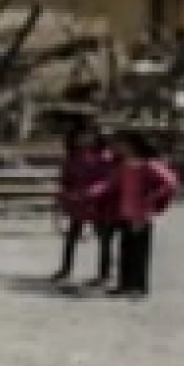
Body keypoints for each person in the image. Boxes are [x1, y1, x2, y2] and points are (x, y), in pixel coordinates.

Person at [109, 133, 180, 299]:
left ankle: (139, 287)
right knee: (125, 250)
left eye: (122, 144)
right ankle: (125, 284)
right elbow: (113, 185)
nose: (119, 148)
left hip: (141, 213)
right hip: (125, 212)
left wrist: (150, 198)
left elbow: (171, 184)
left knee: (139, 251)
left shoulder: (149, 164)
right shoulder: (123, 165)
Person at [49, 120, 118, 287]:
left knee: (104, 238)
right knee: (72, 236)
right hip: (77, 202)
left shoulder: (105, 156)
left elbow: (109, 179)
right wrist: (64, 193)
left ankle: (104, 273)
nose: (84, 138)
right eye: (81, 135)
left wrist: (93, 192)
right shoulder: (73, 156)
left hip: (99, 202)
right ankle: (65, 269)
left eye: (89, 135)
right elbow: (65, 178)